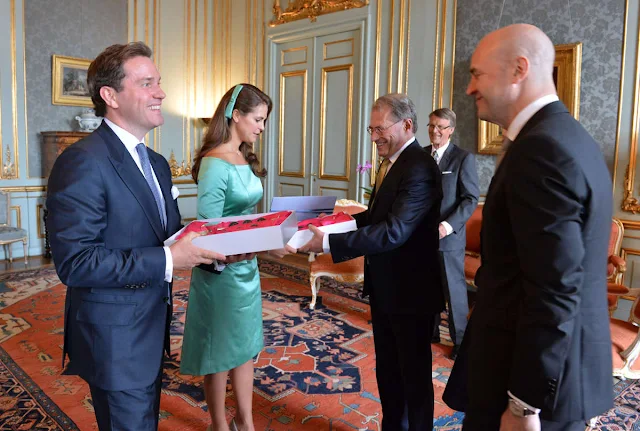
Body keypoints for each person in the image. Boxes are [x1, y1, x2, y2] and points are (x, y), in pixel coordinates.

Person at [46, 42, 229, 431]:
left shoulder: (157, 164)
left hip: (150, 326)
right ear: (110, 95)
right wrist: (168, 260)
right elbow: (76, 263)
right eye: (147, 83)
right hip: (114, 337)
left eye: (158, 83)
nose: (161, 92)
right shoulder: (81, 161)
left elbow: (169, 235)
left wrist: (218, 246)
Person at [442, 24, 614, 431]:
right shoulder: (568, 136)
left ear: (519, 69)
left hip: (529, 384)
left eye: (477, 74)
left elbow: (555, 288)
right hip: (555, 371)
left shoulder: (542, 150)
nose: (469, 88)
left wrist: (524, 404)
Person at [300, 93, 443, 431]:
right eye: (371, 128)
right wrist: (335, 224)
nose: (375, 136)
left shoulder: (420, 167)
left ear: (407, 125)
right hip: (386, 286)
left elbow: (394, 231)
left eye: (380, 129)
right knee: (389, 372)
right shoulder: (390, 162)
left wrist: (331, 242)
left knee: (414, 380)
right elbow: (376, 217)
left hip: (411, 291)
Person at [180, 84, 292, 431]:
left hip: (246, 270)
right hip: (220, 274)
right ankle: (219, 425)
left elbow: (247, 219)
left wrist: (271, 236)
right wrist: (268, 244)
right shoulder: (215, 163)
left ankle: (246, 422)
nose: (261, 127)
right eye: (258, 119)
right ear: (236, 115)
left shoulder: (243, 156)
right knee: (219, 355)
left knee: (244, 348)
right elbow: (209, 232)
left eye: (264, 121)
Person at [424, 108, 479, 360]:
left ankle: (461, 342)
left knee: (453, 290)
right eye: (432, 125)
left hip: (448, 236)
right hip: (421, 236)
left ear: (451, 130)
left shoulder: (462, 158)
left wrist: (446, 226)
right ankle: (430, 332)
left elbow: (470, 199)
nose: (435, 131)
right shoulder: (421, 156)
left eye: (440, 127)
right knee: (426, 285)